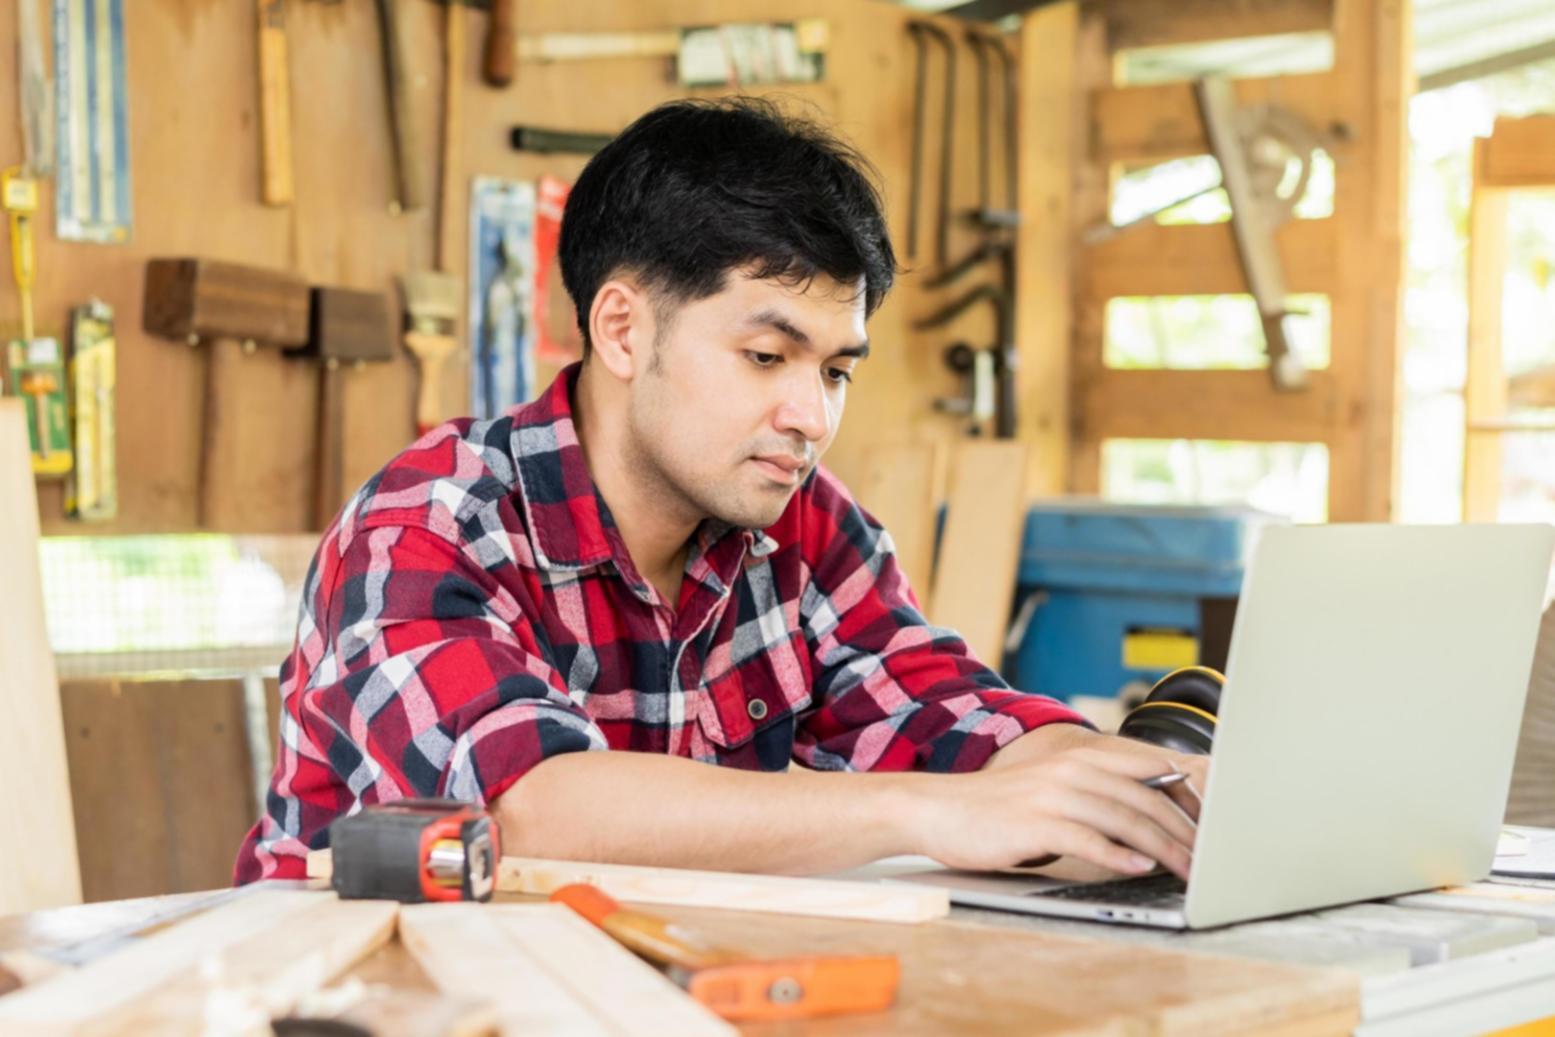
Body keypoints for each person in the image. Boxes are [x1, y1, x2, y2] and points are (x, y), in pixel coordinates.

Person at [235, 97, 1205, 886]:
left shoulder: (805, 526)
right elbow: (529, 810)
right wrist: (926, 809)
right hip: (356, 995)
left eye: (835, 371)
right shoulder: (427, 525)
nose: (811, 416)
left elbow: (949, 716)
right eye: (767, 355)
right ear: (622, 330)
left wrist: (1136, 781)